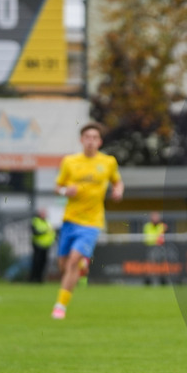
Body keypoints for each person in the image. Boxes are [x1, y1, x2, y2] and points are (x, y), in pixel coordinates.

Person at [51, 123, 124, 319]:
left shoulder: (108, 162)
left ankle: (60, 306)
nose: (91, 141)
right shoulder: (70, 162)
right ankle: (82, 266)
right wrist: (67, 191)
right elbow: (58, 187)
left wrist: (118, 191)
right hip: (70, 220)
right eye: (87, 137)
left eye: (94, 138)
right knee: (63, 265)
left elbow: (117, 181)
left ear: (99, 141)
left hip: (92, 222)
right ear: (81, 140)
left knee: (73, 262)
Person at [142, 211, 169, 285]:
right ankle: (149, 281)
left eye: (156, 217)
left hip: (160, 248)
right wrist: (156, 239)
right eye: (154, 217)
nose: (155, 219)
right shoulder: (147, 226)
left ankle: (163, 280)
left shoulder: (162, 226)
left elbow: (164, 235)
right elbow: (147, 238)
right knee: (151, 265)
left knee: (162, 265)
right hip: (151, 248)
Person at [29, 209, 55, 283]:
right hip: (38, 245)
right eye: (43, 213)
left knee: (44, 263)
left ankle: (40, 279)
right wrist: (45, 231)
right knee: (36, 262)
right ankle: (33, 279)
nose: (44, 215)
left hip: (46, 246)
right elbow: (35, 232)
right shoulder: (36, 221)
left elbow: (51, 232)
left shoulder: (47, 222)